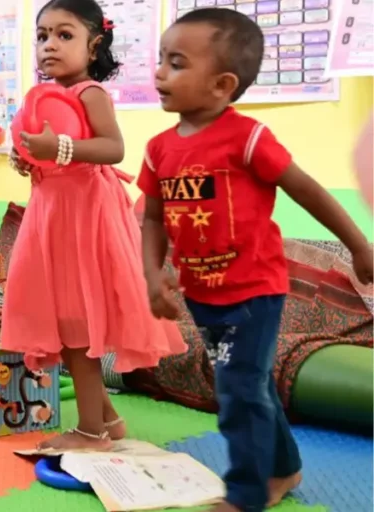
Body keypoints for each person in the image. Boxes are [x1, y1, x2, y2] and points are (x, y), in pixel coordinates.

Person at [140, 9, 374, 512]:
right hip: (202, 295)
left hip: (254, 292)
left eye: (176, 63)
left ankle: (246, 494)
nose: (159, 72)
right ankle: (285, 468)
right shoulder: (158, 150)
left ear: (223, 84)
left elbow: (308, 190)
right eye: (160, 59)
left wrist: (358, 245)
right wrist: (154, 274)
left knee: (236, 390)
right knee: (254, 384)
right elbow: (154, 220)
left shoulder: (246, 138)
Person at [2, 0, 187, 451]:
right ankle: (106, 418)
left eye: (64, 36)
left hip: (84, 216)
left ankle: (90, 431)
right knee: (64, 320)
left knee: (75, 321)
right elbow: (41, 148)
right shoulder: (42, 97)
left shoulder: (89, 93)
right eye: (42, 36)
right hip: (51, 212)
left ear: (94, 44)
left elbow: (112, 148)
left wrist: (59, 149)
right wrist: (27, 158)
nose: (50, 45)